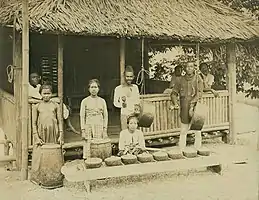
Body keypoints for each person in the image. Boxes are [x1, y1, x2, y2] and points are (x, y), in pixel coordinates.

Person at [31, 84, 63, 185]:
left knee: (52, 153)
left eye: (48, 93)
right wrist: (36, 136)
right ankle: (39, 177)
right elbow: (34, 123)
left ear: (51, 94)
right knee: (40, 153)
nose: (46, 96)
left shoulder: (55, 105)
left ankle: (53, 174)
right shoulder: (37, 106)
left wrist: (61, 134)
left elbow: (59, 121)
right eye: (44, 93)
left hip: (53, 131)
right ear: (40, 94)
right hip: (41, 133)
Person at [170, 62, 204, 151]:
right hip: (184, 107)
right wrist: (175, 102)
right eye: (187, 67)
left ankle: (198, 149)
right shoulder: (180, 80)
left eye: (191, 66)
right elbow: (174, 93)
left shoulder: (198, 79)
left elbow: (199, 93)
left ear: (194, 68)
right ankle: (182, 149)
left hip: (195, 107)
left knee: (197, 130)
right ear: (185, 68)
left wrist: (193, 104)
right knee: (183, 130)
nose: (189, 68)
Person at [80, 79, 108, 159]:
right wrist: (83, 130)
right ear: (88, 89)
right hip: (88, 124)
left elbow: (105, 116)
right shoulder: (84, 101)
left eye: (95, 87)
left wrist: (105, 129)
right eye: (92, 87)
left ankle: (98, 159)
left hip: (99, 124)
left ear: (98, 89)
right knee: (88, 142)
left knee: (98, 143)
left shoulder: (102, 101)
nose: (93, 89)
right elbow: (82, 116)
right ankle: (88, 160)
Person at [113, 65, 140, 130]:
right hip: (124, 114)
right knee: (125, 132)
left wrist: (136, 110)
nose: (129, 78)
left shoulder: (135, 87)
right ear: (124, 76)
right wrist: (122, 105)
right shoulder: (118, 88)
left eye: (131, 77)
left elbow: (137, 101)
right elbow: (115, 103)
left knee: (135, 133)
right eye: (127, 76)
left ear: (133, 77)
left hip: (134, 114)